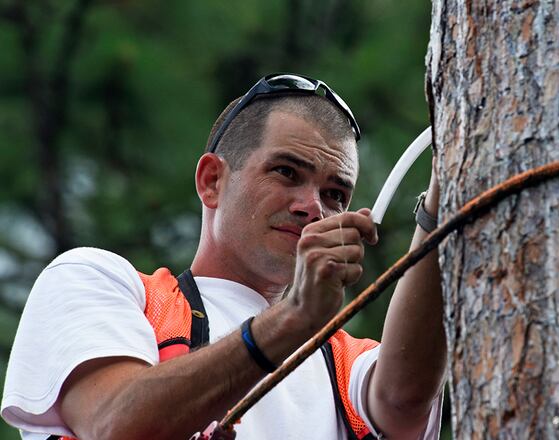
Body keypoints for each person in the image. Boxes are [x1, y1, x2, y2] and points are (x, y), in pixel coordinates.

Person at [1, 73, 446, 439]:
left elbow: (405, 400)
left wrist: (444, 201)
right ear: (212, 180)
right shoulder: (99, 283)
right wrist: (291, 319)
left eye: (335, 194)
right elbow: (114, 423)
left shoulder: (346, 365)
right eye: (286, 172)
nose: (312, 206)